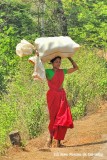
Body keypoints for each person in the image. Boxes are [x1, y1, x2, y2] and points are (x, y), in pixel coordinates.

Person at [45, 56, 79, 148]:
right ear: (52, 63)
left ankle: (58, 142)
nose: (58, 64)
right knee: (53, 118)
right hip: (52, 96)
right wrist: (38, 58)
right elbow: (37, 72)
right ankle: (50, 139)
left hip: (61, 96)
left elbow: (76, 68)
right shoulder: (48, 72)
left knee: (62, 117)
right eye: (56, 62)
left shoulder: (62, 71)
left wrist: (70, 58)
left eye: (59, 62)